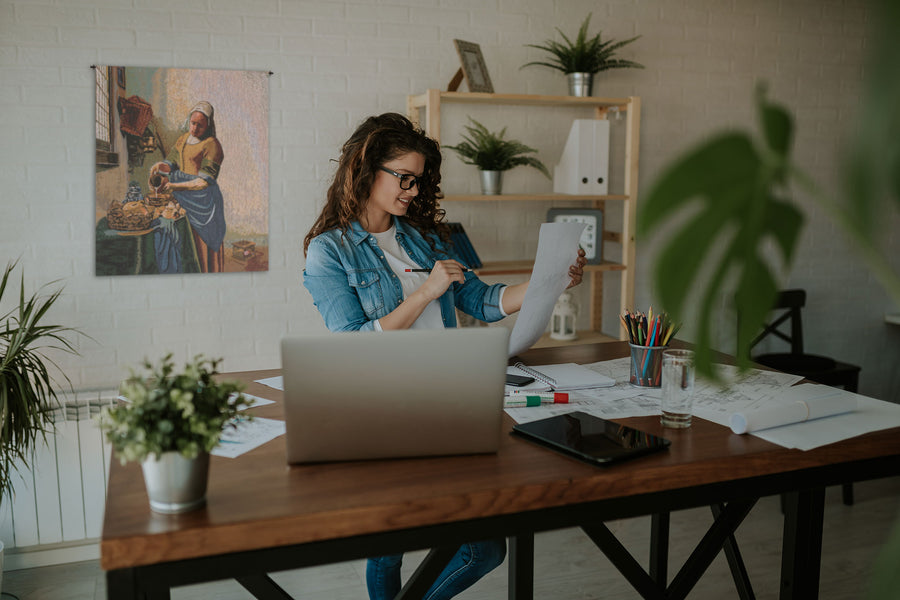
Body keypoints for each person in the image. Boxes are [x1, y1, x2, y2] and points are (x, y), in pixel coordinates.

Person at [302, 113, 586, 600]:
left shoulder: (424, 236)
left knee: (485, 549)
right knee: (389, 548)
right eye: (404, 178)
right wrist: (424, 291)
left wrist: (552, 280)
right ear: (366, 169)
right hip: (383, 411)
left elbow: (481, 300)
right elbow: (352, 342)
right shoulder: (329, 251)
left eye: (418, 180)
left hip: (448, 400)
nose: (412, 191)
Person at [150, 101, 226, 273]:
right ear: (189, 121)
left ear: (208, 125)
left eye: (200, 125)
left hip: (205, 202)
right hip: (184, 198)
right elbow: (171, 164)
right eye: (193, 123)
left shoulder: (212, 145)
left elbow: (203, 182)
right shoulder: (183, 139)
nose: (195, 128)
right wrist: (159, 166)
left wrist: (175, 186)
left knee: (202, 246)